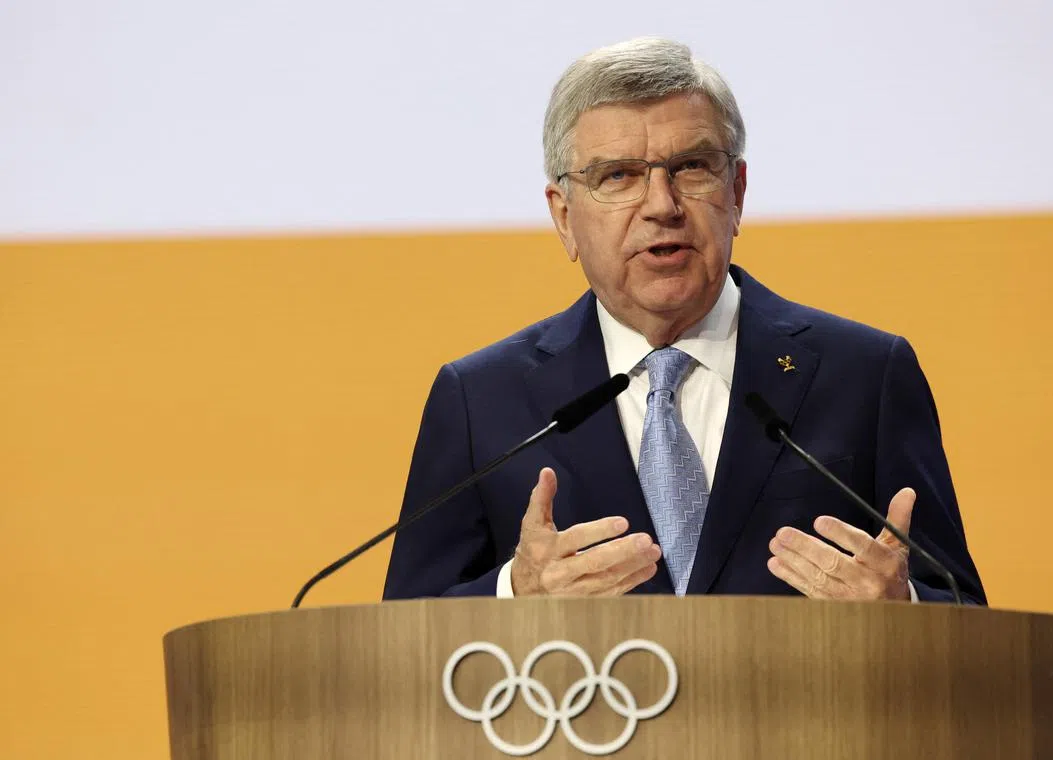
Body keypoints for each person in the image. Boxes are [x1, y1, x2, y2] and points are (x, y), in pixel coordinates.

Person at [382, 37, 985, 604]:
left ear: (738, 191)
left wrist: (903, 603)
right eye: (617, 176)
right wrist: (516, 594)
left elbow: (967, 617)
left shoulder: (863, 375)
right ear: (564, 216)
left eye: (691, 167)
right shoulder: (481, 399)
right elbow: (401, 641)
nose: (661, 206)